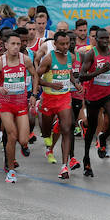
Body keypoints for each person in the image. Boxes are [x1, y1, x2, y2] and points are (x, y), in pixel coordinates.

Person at [0, 30, 36, 183]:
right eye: (12, 44)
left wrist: (33, 94)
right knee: (11, 136)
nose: (16, 47)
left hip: (21, 103)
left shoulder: (25, 60)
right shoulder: (0, 62)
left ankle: (20, 148)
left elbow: (35, 75)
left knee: (24, 140)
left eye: (18, 44)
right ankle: (10, 169)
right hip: (5, 104)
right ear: (6, 45)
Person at [78, 28, 110, 177]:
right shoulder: (91, 54)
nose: (104, 41)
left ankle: (102, 137)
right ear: (96, 39)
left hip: (109, 91)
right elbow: (82, 76)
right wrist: (99, 72)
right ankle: (86, 159)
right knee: (92, 128)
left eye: (106, 38)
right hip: (93, 94)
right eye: (101, 38)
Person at [37, 31, 79, 178]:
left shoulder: (71, 57)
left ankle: (64, 166)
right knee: (46, 132)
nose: (66, 46)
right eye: (62, 44)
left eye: (67, 43)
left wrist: (75, 83)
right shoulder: (49, 59)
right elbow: (37, 76)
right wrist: (50, 84)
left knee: (67, 129)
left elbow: (70, 74)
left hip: (64, 98)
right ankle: (48, 136)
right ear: (55, 44)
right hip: (49, 98)